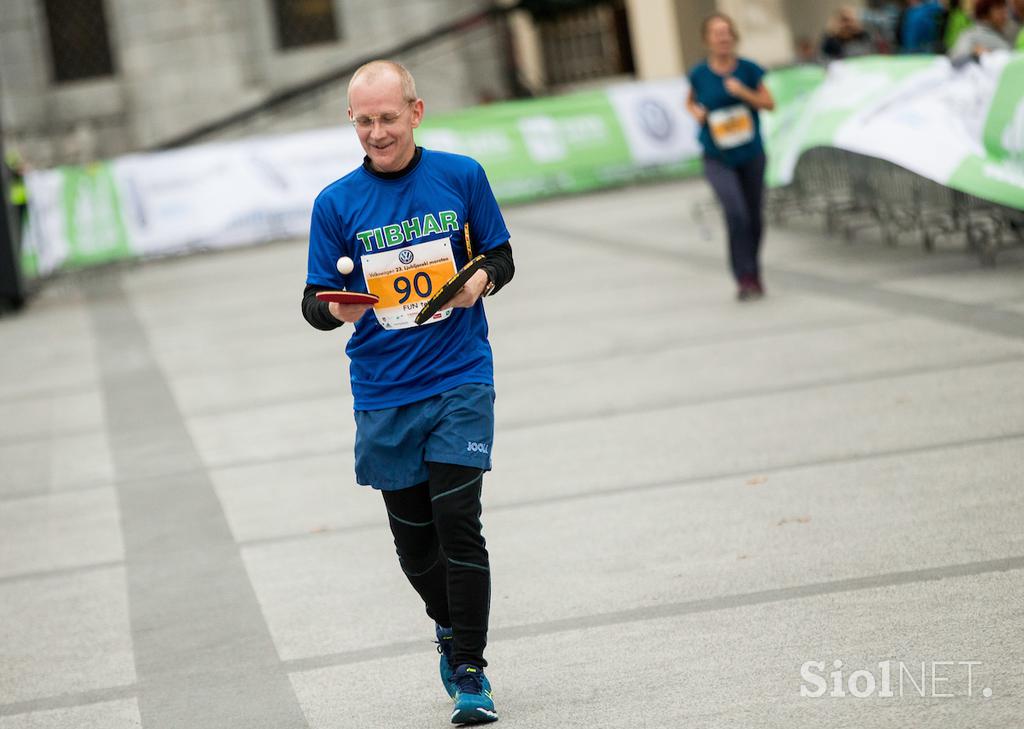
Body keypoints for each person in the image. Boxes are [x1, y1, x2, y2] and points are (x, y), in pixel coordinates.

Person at [301, 59, 514, 725]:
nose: (377, 131)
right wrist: (335, 309)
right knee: (415, 545)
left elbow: (501, 255)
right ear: (352, 121)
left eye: (388, 118)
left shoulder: (461, 177)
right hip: (384, 392)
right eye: (364, 120)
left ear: (415, 113)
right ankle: (448, 628)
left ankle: (471, 669)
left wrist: (480, 281)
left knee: (458, 523)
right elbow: (311, 302)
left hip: (459, 377)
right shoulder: (335, 204)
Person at [686, 13, 776, 301]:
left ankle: (754, 271)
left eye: (726, 32)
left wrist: (743, 92)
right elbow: (689, 101)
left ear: (733, 37)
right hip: (717, 155)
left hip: (750, 153)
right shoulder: (700, 74)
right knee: (735, 213)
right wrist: (696, 112)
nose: (722, 37)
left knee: (753, 217)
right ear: (707, 40)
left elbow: (769, 103)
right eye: (716, 33)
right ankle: (744, 276)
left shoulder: (749, 70)